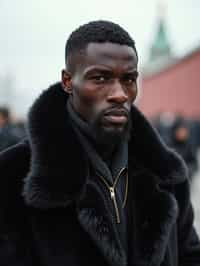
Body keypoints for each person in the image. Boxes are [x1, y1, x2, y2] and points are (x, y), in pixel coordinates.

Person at [0, 20, 200, 266]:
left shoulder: (167, 174)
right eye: (100, 78)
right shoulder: (11, 174)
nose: (119, 93)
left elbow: (190, 255)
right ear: (68, 81)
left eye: (129, 79)